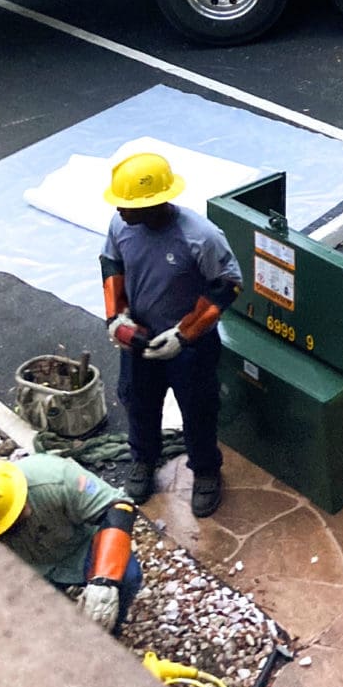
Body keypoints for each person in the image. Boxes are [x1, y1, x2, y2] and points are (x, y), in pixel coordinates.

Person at [101, 151, 242, 518]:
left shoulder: (201, 237)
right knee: (138, 401)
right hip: (140, 337)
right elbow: (112, 263)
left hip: (189, 346)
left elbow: (227, 285)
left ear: (154, 204)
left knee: (198, 407)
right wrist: (117, 317)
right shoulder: (121, 227)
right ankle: (143, 460)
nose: (119, 211)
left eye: (128, 205)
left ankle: (206, 470)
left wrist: (183, 335)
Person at [0, 454, 141, 632]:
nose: (27, 509)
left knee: (127, 575)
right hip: (24, 569)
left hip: (79, 549)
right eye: (15, 515)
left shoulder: (56, 477)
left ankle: (107, 630)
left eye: (21, 501)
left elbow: (120, 509)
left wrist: (104, 580)